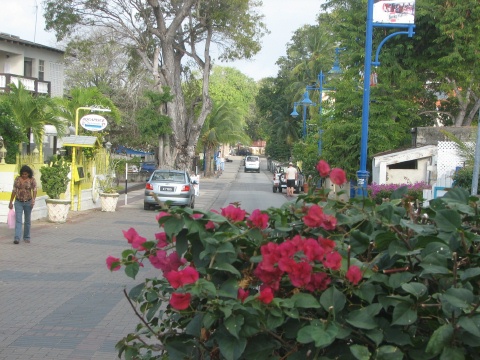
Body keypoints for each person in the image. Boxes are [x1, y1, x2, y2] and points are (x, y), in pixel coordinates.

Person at [8, 165, 37, 244]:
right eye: (23, 174)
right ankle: (17, 238)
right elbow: (14, 190)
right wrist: (11, 201)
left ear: (28, 174)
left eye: (26, 174)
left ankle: (26, 237)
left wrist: (33, 200)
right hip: (18, 202)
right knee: (18, 220)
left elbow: (34, 190)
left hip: (28, 202)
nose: (24, 176)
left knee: (27, 221)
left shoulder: (32, 180)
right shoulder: (17, 179)